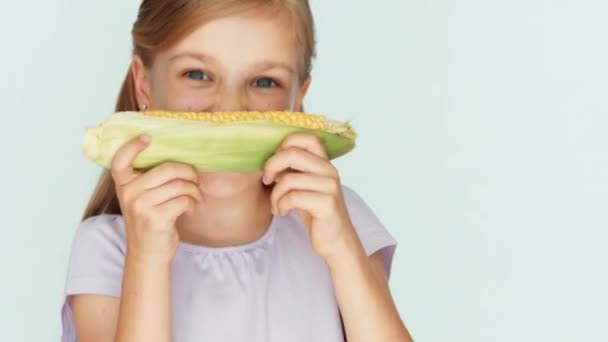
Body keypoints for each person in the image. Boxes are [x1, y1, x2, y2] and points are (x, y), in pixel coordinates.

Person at [61, 0, 413, 341]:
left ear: (298, 99)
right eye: (197, 74)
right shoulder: (108, 248)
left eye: (264, 82)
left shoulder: (338, 216)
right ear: (144, 84)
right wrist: (148, 260)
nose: (229, 106)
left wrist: (341, 247)